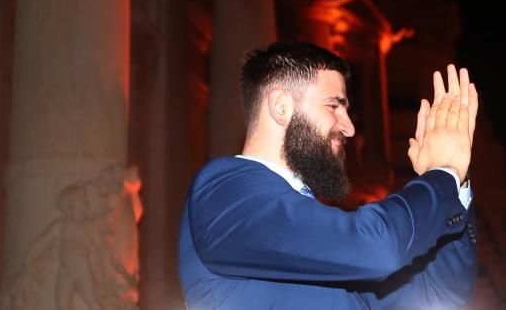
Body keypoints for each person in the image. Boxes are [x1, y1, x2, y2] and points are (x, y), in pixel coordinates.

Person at [178, 41, 479, 309]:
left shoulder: (321, 235)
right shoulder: (225, 190)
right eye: (334, 106)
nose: (348, 127)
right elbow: (379, 249)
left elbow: (439, 293)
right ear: (282, 106)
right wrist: (443, 175)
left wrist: (458, 183)